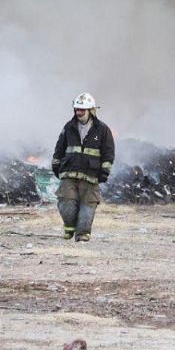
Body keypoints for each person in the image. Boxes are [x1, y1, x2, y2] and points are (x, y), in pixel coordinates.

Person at [51, 93, 115, 242]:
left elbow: (108, 152)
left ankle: (83, 234)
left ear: (91, 110)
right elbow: (60, 147)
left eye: (82, 110)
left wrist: (105, 170)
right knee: (66, 203)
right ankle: (69, 227)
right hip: (69, 172)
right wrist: (56, 164)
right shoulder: (69, 126)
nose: (78, 113)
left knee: (88, 205)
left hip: (90, 174)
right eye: (76, 109)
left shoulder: (102, 129)